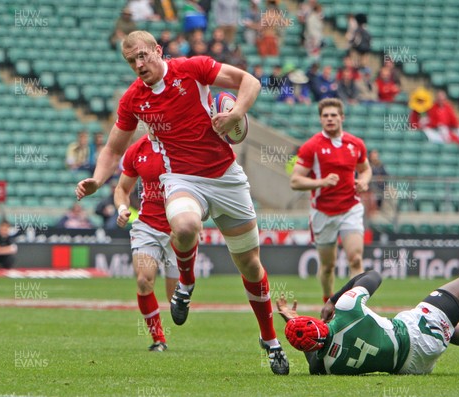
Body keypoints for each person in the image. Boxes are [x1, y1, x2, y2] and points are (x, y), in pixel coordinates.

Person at [75, 30, 289, 375]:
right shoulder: (133, 99)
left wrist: (237, 114)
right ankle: (186, 283)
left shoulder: (193, 68)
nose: (139, 65)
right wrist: (98, 179)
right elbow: (114, 147)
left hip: (226, 178)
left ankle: (270, 340)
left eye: (143, 56)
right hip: (182, 178)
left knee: (250, 265)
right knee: (186, 226)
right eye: (132, 61)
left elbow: (248, 81)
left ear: (158, 50)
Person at [277, 270, 459, 375]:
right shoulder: (346, 308)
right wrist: (333, 299)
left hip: (413, 367)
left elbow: (312, 355)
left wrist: (296, 331)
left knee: (441, 326)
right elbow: (373, 276)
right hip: (414, 334)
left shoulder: (326, 366)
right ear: (315, 322)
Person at [290, 98, 372, 303]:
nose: (330, 119)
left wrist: (363, 181)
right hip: (323, 212)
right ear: (320, 120)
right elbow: (295, 181)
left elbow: (366, 169)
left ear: (342, 117)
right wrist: (322, 182)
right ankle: (328, 299)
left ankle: (356, 306)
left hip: (350, 208)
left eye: (333, 115)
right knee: (328, 266)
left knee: (356, 258)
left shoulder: (356, 144)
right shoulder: (311, 146)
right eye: (325, 116)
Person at [115, 133, 183, 352]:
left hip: (178, 229)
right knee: (144, 280)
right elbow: (122, 189)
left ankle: (184, 295)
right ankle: (158, 339)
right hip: (147, 227)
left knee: (176, 303)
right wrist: (122, 209)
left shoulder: (184, 145)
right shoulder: (137, 150)